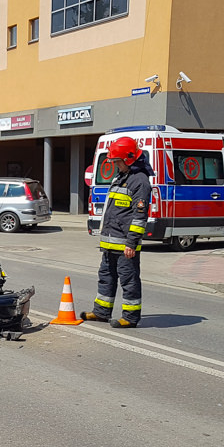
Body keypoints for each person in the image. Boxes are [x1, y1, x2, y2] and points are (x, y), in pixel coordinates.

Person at [80, 137, 153, 328]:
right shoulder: (122, 178)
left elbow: (139, 216)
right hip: (110, 243)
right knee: (106, 277)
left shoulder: (140, 181)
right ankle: (101, 312)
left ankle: (130, 318)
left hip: (124, 245)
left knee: (128, 282)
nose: (115, 165)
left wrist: (131, 243)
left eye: (117, 161)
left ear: (128, 159)